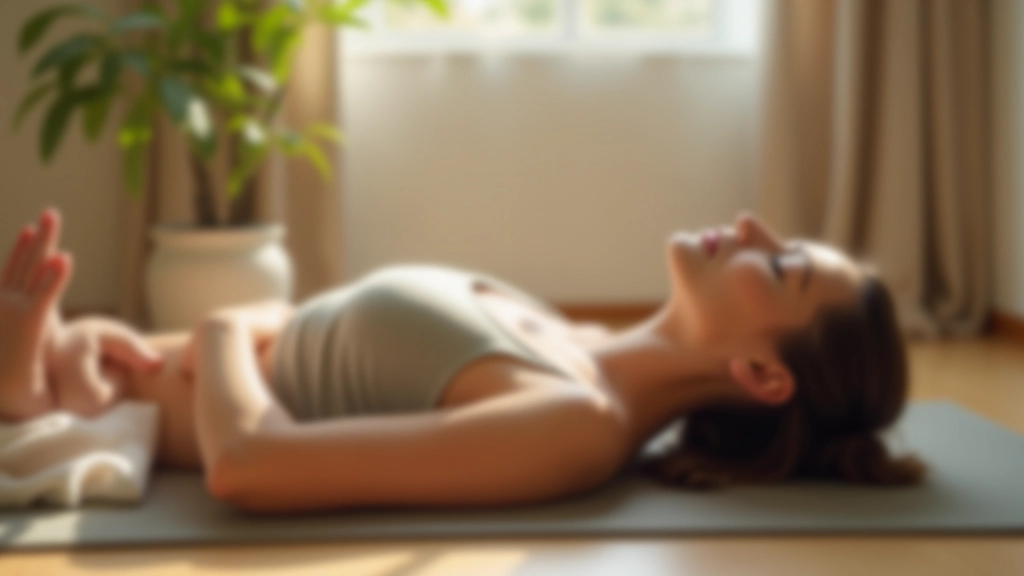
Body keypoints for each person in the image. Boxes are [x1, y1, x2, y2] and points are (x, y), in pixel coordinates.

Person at [0, 207, 926, 513]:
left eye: (787, 264)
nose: (757, 226)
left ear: (765, 376)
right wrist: (83, 337)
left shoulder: (576, 421)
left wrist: (222, 329)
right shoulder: (568, 335)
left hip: (126, 408)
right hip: (110, 364)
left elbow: (249, 464)